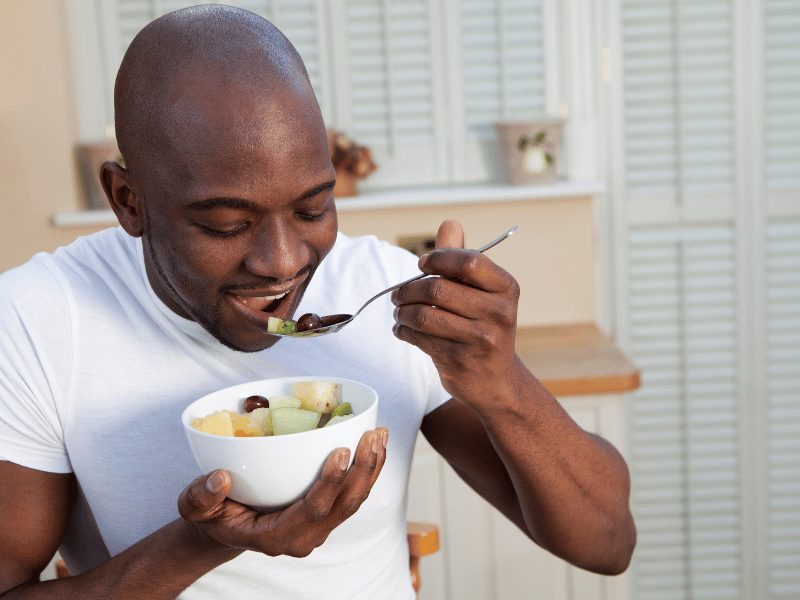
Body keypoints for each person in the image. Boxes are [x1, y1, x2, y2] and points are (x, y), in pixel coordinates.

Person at [0, 5, 635, 599]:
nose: (282, 262)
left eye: (312, 207)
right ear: (127, 201)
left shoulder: (385, 292)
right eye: (225, 222)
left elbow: (606, 542)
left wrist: (501, 383)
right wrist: (195, 545)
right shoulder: (36, 319)